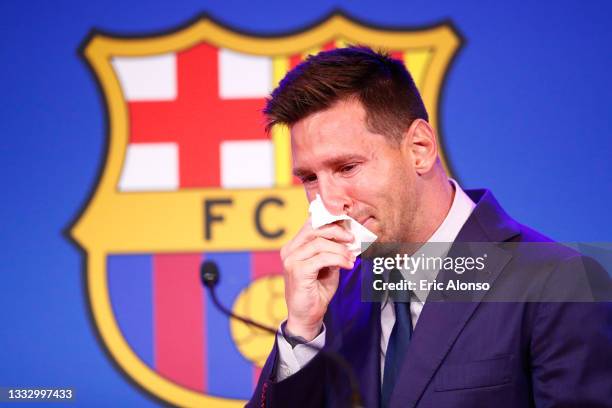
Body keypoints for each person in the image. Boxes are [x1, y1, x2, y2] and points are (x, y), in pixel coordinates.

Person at [247, 46, 612, 407]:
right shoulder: (333, 295)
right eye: (309, 177)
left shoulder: (560, 282)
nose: (326, 202)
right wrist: (302, 331)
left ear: (419, 148)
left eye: (347, 167)